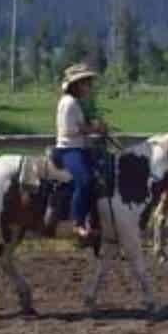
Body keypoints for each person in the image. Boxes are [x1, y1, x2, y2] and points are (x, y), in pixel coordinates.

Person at [53, 64, 108, 241]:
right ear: (77, 85)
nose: (89, 87)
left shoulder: (74, 102)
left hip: (78, 148)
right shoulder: (69, 103)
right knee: (85, 180)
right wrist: (94, 129)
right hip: (68, 149)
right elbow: (69, 130)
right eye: (86, 83)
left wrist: (93, 129)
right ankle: (77, 222)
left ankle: (95, 219)